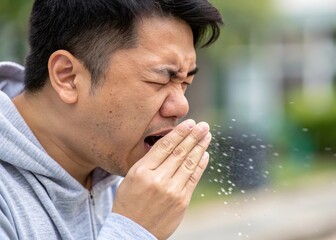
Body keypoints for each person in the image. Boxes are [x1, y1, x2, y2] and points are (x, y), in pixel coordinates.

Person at [0, 0, 223, 239]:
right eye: (159, 80)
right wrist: (133, 229)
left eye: (184, 83)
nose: (181, 106)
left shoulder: (122, 179)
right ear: (68, 76)